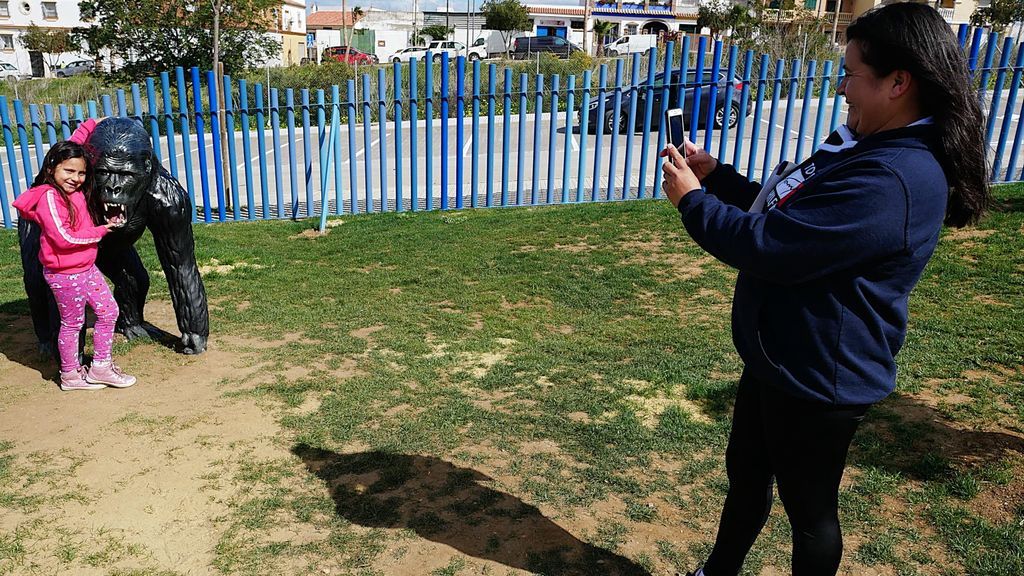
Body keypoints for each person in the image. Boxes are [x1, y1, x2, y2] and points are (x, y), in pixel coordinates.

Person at [659, 4, 989, 576]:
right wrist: (719, 178)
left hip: (819, 375)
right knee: (746, 477)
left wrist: (693, 201)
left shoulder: (895, 177)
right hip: (778, 356)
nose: (841, 88)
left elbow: (771, 247)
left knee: (810, 514)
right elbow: (793, 212)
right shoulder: (867, 147)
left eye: (851, 73)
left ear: (898, 82)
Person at [12, 118, 137, 391]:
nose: (76, 178)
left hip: (86, 268)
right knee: (72, 323)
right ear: (51, 168)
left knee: (108, 311)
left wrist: (93, 123)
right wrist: (100, 231)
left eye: (81, 173)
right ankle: (70, 375)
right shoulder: (49, 197)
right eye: (68, 171)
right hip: (64, 274)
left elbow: (75, 148)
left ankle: (100, 367)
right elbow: (63, 238)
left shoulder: (74, 190)